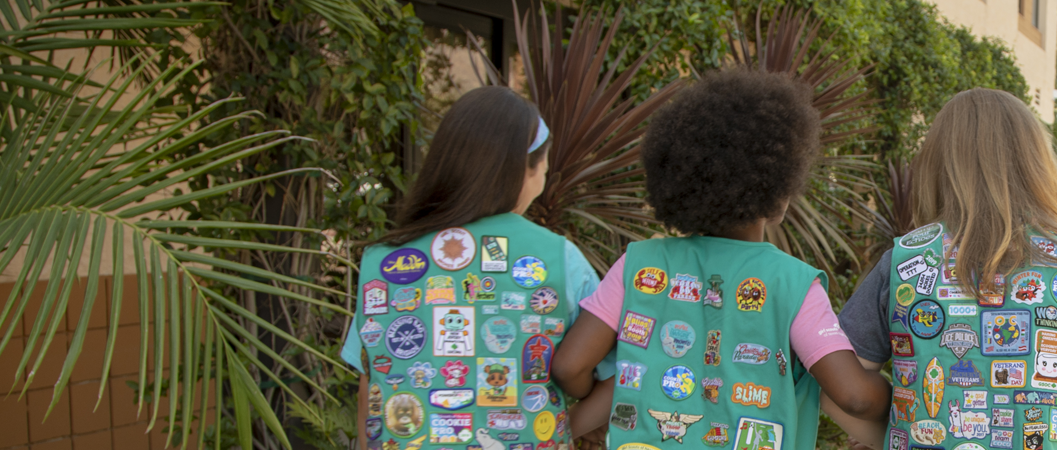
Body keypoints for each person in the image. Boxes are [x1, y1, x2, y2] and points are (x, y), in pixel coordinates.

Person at [549, 70, 890, 449]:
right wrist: (911, 394)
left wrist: (590, 408)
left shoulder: (638, 265)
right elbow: (854, 396)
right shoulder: (793, 284)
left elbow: (569, 367)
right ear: (780, 191)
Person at [836, 89, 1057, 449]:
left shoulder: (905, 263)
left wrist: (890, 437)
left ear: (938, 165)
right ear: (1037, 164)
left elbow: (839, 390)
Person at [340, 86, 606, 450]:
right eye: (544, 165)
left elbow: (370, 388)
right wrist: (559, 429)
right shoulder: (561, 258)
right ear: (528, 170)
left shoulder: (383, 260)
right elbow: (618, 374)